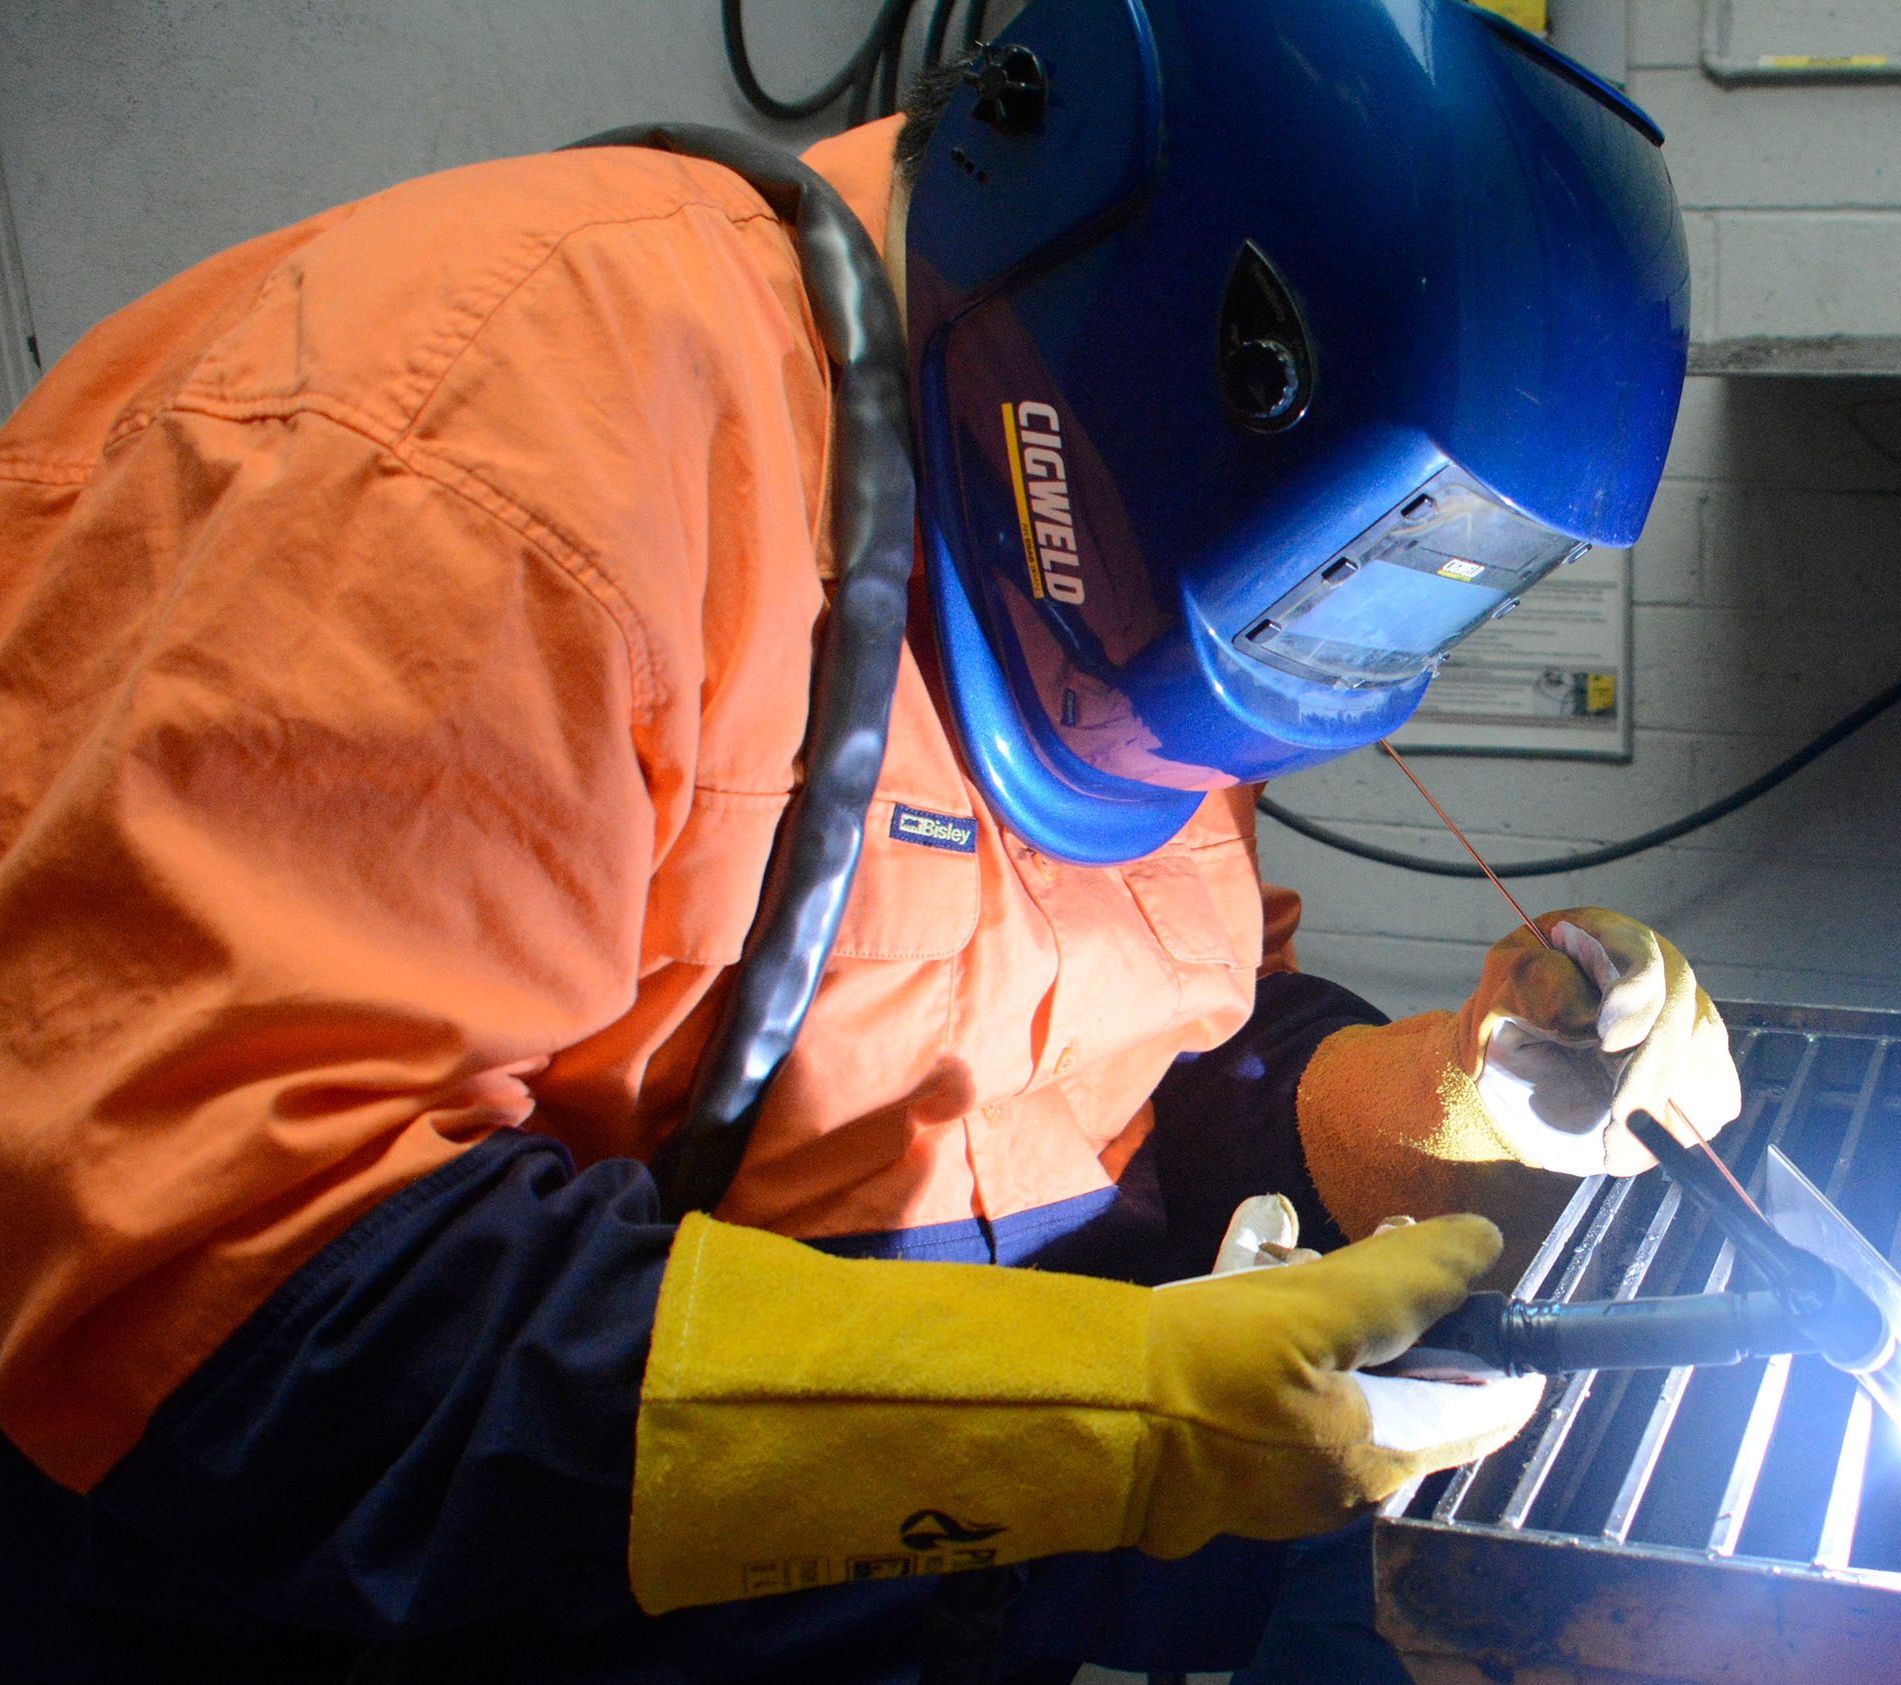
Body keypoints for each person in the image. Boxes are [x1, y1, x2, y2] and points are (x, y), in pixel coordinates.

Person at [0, 1, 1733, 1678]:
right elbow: (245, 1318)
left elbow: (1149, 1060)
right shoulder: (482, 450)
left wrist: (1454, 1098)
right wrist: (1102, 1410)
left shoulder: (1131, 561)